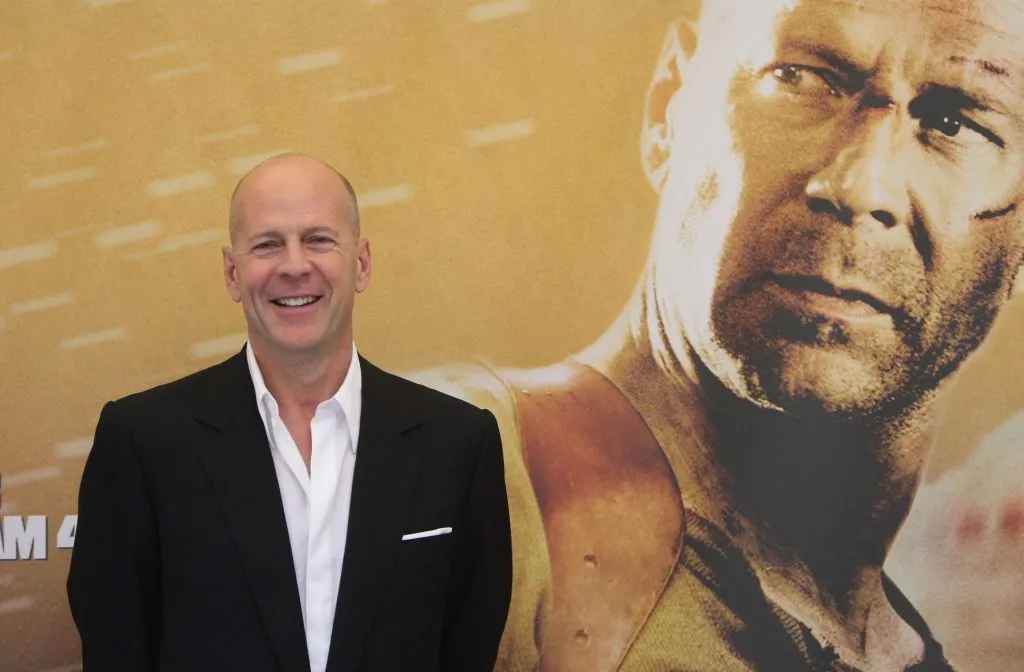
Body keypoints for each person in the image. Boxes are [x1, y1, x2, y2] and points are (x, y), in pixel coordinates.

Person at [407, 0, 1024, 669]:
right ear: (668, 108)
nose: (858, 182)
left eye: (953, 122)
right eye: (801, 78)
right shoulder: (442, 479)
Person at [66, 153, 513, 672]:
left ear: (362, 263)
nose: (295, 265)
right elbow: (117, 645)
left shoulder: (458, 443)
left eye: (319, 239)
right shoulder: (143, 443)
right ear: (233, 273)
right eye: (267, 244)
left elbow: (468, 645)